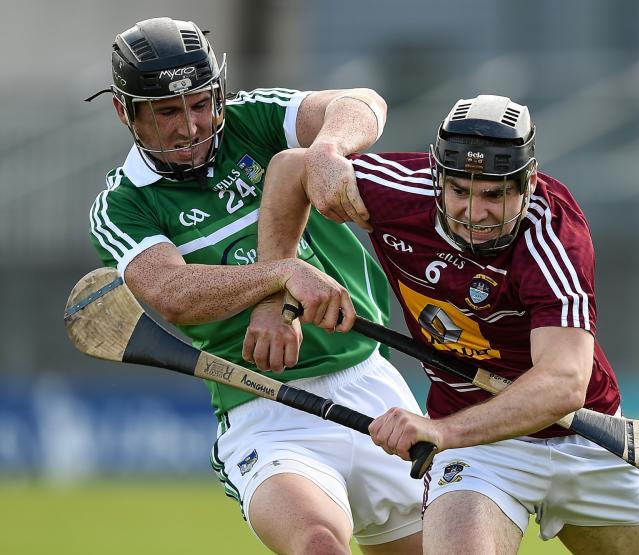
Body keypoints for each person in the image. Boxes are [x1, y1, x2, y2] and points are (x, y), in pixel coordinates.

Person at [250, 95, 639, 554]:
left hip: (581, 437)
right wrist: (274, 292)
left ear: (528, 183)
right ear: (438, 178)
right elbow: (290, 169)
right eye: (460, 191)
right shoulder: (401, 192)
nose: (475, 214)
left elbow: (563, 383)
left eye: (495, 195)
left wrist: (443, 432)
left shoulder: (552, 236)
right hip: (482, 452)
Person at [86, 17, 424, 555]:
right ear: (125, 112)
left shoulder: (253, 118)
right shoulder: (124, 203)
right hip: (265, 408)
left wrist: (327, 152)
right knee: (317, 544)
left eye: (200, 104)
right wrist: (282, 275)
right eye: (167, 112)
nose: (191, 127)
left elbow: (363, 102)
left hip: (373, 381)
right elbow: (172, 291)